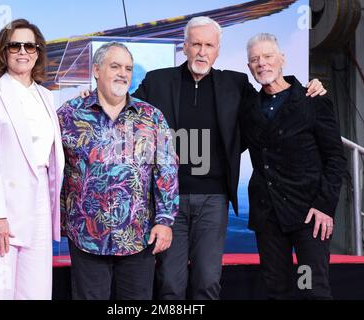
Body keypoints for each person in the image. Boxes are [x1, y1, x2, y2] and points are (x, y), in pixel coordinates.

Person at [131, 16, 326, 300]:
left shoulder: (235, 84)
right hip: (168, 201)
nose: (202, 51)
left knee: (207, 282)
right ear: (184, 47)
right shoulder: (157, 81)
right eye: (196, 44)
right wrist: (94, 97)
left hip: (214, 200)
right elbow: (125, 111)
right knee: (170, 284)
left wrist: (310, 88)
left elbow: (272, 99)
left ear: (218, 50)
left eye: (209, 45)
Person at [58, 42, 179, 300]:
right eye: (115, 66)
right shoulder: (68, 115)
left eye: (128, 68)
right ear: (96, 70)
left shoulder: (151, 117)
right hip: (85, 236)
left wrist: (165, 221)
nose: (123, 73)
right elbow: (50, 167)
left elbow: (166, 171)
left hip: (138, 237)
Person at [0, 19, 65, 300]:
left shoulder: (46, 96)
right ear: (3, 52)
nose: (23, 51)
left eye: (29, 45)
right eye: (15, 45)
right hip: (0, 209)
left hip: (40, 204)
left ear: (38, 52)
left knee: (37, 292)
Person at [240, 33, 346, 299]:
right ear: (249, 67)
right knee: (277, 290)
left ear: (282, 59)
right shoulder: (248, 106)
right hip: (268, 216)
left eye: (267, 56)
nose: (261, 63)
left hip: (309, 216)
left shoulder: (312, 99)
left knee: (310, 289)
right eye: (254, 59)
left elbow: (335, 158)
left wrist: (324, 206)